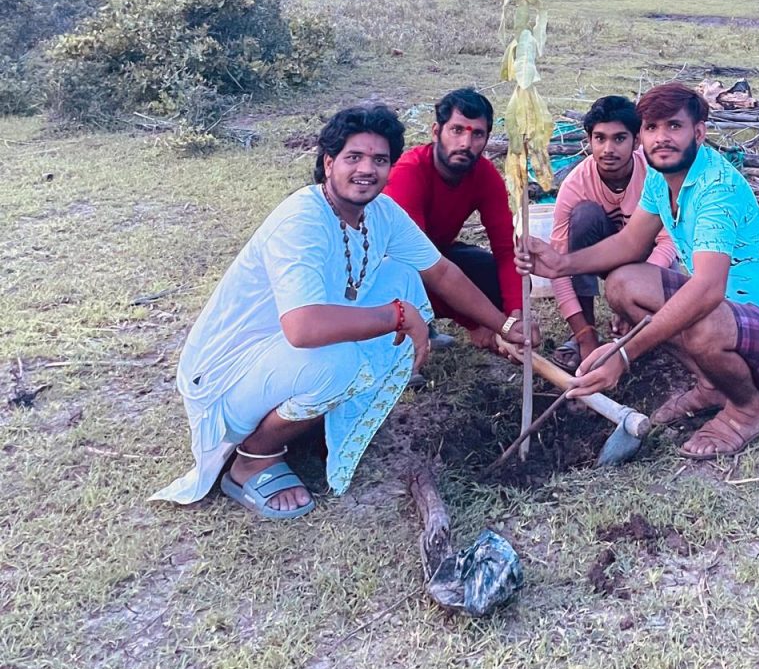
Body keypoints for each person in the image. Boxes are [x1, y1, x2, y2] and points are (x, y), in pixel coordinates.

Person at [151, 105, 535, 519]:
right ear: (329, 162)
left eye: (380, 160)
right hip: (225, 377)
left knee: (402, 276)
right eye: (354, 157)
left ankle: (309, 420)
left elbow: (441, 272)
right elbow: (302, 328)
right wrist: (397, 316)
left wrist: (505, 325)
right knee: (339, 362)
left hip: (277, 362)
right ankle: (252, 459)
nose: (367, 169)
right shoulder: (302, 219)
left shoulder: (381, 213)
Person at [517, 83, 759, 460]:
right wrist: (562, 263)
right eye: (652, 127)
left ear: (699, 132)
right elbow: (631, 244)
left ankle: (746, 411)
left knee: (705, 318)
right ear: (641, 136)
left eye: (674, 126)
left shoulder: (716, 189)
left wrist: (623, 354)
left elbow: (708, 290)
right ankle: (712, 384)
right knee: (623, 284)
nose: (661, 138)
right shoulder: (661, 178)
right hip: (733, 317)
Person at [384, 88, 524, 351]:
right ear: (436, 132)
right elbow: (420, 264)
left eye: (477, 134)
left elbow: (507, 251)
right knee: (408, 272)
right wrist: (477, 324)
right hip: (391, 266)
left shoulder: (485, 175)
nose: (465, 144)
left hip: (437, 254)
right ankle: (408, 332)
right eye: (457, 130)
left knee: (491, 272)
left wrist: (516, 316)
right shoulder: (408, 173)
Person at [549, 95, 677, 369]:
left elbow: (668, 243)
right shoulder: (575, 184)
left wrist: (632, 292)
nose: (608, 149)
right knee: (584, 216)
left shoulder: (655, 174)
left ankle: (642, 330)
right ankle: (587, 333)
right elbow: (558, 266)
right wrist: (583, 335)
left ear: (637, 141)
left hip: (650, 260)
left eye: (619, 139)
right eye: (600, 138)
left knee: (666, 328)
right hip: (604, 257)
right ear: (589, 141)